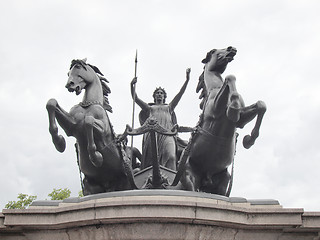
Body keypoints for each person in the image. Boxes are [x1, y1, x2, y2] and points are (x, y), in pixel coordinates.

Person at [130, 68, 191, 171]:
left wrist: (187, 79)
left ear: (164, 96)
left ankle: (170, 179)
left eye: (161, 93)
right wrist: (131, 86)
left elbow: (180, 93)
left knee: (171, 157)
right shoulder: (149, 108)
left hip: (167, 134)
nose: (159, 94)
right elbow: (135, 98)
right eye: (157, 93)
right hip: (152, 135)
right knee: (151, 162)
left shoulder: (169, 107)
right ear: (154, 96)